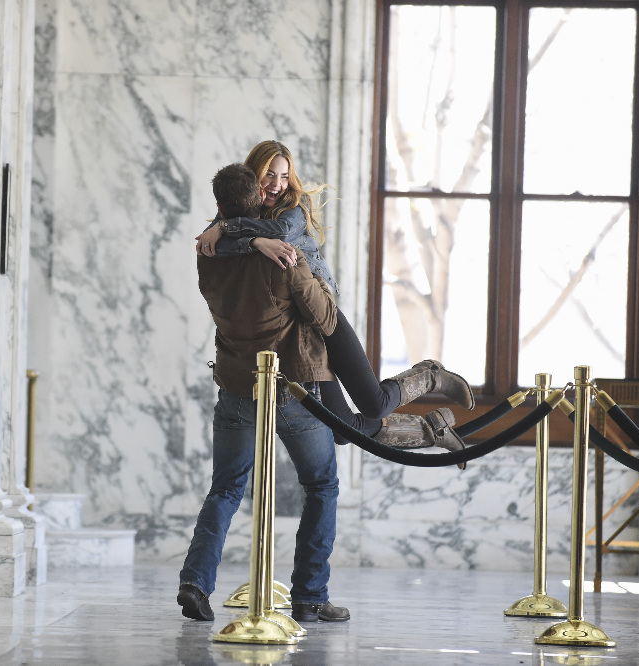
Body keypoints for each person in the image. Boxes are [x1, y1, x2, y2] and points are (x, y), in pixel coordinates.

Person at [194, 141, 473, 463]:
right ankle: (431, 430)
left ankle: (431, 375)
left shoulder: (291, 210)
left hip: (322, 313)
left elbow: (281, 235)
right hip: (297, 336)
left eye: (284, 176)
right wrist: (242, 235)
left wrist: (231, 229)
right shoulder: (234, 218)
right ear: (251, 177)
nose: (276, 184)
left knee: (375, 405)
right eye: (269, 175)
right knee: (342, 430)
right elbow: (213, 248)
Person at [178, 163, 348, 624]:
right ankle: (310, 597)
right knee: (321, 485)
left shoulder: (208, 252)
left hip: (236, 387)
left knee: (226, 488)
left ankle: (194, 582)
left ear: (220, 209)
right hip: (293, 389)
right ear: (259, 199)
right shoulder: (284, 257)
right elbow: (328, 320)